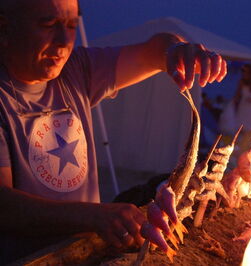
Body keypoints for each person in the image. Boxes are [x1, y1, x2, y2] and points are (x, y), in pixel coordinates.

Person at [0, 0, 227, 263]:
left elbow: (151, 51)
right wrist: (94, 216)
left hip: (84, 253)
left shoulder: (75, 68)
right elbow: (5, 207)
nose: (64, 42)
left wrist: (174, 51)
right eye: (48, 24)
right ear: (5, 28)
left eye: (72, 25)